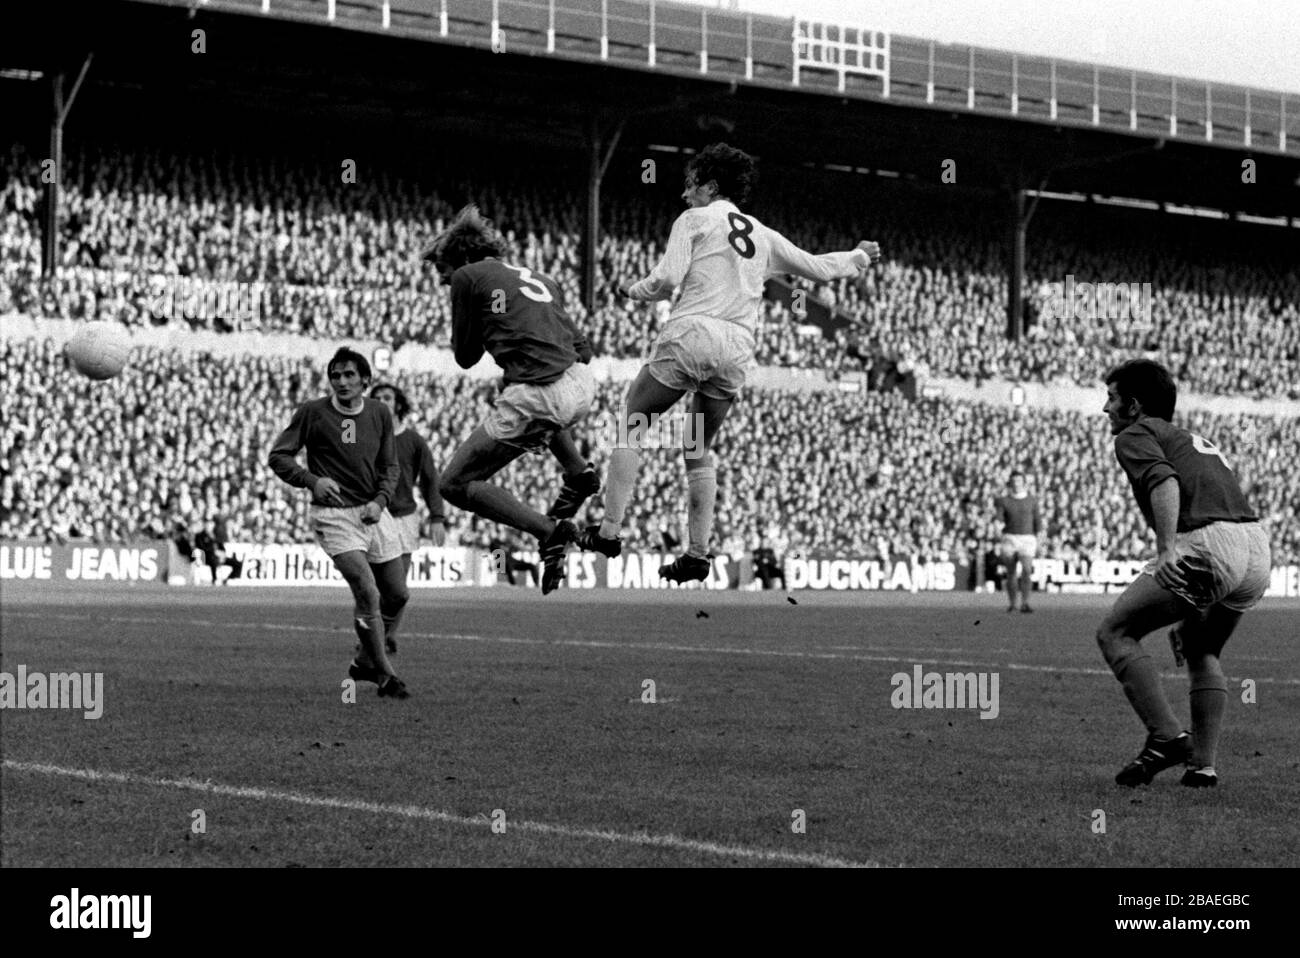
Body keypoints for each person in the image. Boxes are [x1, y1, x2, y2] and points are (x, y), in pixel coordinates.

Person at [576, 143, 881, 581]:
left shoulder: (695, 220)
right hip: (737, 347)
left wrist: (632, 291)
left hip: (692, 333)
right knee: (698, 448)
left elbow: (666, 279)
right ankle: (698, 553)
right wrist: (857, 256)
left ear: (710, 186)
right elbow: (816, 268)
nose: (684, 195)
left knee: (633, 422)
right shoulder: (762, 233)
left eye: (690, 185)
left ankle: (608, 531)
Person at [1097, 359, 1271, 788]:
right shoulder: (1194, 438)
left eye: (1112, 398)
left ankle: (1167, 737)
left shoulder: (1135, 434)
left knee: (1115, 632)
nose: (1105, 408)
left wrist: (1166, 548)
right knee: (1200, 648)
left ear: (1134, 406)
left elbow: (1166, 482)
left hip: (1209, 544)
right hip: (1256, 547)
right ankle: (1202, 767)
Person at [422, 204, 600, 594]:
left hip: (541, 396)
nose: (443, 282)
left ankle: (549, 531)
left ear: (462, 258)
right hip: (581, 384)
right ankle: (578, 471)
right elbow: (583, 350)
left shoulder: (469, 276)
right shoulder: (542, 279)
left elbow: (465, 357)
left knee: (452, 485)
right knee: (513, 385)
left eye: (443, 272)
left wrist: (480, 319)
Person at [267, 346, 411, 699]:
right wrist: (311, 480)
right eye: (335, 375)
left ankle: (364, 661)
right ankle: (386, 676)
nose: (341, 382)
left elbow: (390, 467)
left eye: (349, 375)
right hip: (333, 516)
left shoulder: (379, 413)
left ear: (365, 380)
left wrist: (380, 501)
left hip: (373, 512)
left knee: (397, 594)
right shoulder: (313, 413)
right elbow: (278, 456)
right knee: (367, 591)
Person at [370, 381, 447, 649]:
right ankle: (376, 637)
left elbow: (430, 479)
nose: (382, 400)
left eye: (387, 397)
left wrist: (437, 516)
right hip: (374, 515)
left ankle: (387, 634)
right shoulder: (365, 437)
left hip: (404, 517)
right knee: (373, 584)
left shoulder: (413, 440)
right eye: (377, 397)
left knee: (398, 589)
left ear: (398, 404)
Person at [993, 470, 1042, 613]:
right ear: (1010, 483)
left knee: (1027, 570)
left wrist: (1040, 537)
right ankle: (1013, 603)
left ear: (1024, 483)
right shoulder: (1004, 500)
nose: (1016, 484)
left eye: (1019, 481)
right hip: (1010, 537)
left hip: (1027, 538)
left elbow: (1037, 520)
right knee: (1011, 572)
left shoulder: (1032, 500)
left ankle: (1025, 603)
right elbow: (1000, 518)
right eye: (1014, 481)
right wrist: (998, 526)